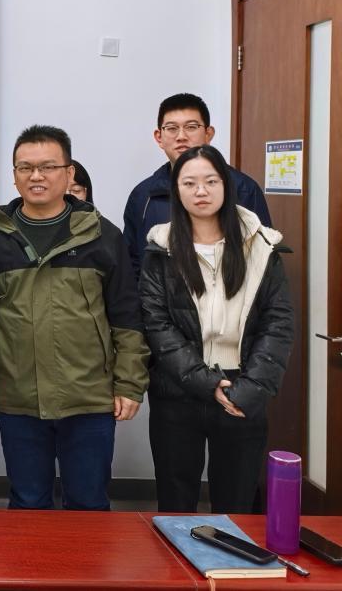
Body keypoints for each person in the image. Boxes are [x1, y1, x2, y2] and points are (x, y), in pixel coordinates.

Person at [0, 125, 149, 511]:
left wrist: (130, 383)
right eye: (26, 167)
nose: (37, 176)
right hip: (19, 396)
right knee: (28, 502)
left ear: (69, 173)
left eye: (48, 167)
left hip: (89, 397)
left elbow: (127, 317)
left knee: (88, 503)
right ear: (14, 175)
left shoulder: (102, 235)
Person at [139, 145, 294, 514]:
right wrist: (205, 383)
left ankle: (230, 556)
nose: (201, 191)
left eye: (211, 181)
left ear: (226, 185)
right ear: (177, 190)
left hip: (243, 388)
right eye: (189, 183)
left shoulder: (261, 246)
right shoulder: (160, 248)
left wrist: (251, 389)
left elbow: (278, 322)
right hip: (177, 391)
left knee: (236, 505)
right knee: (175, 504)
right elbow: (156, 323)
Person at [123, 93, 271, 277]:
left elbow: (262, 260)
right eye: (172, 128)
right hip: (157, 295)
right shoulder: (143, 195)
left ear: (208, 134)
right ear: (159, 137)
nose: (181, 136)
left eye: (191, 127)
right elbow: (132, 263)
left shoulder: (243, 189)